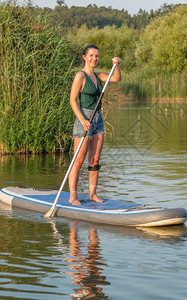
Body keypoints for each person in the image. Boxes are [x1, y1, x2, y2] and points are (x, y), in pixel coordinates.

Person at [68, 45, 121, 205]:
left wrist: (116, 65)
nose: (94, 59)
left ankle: (93, 194)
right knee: (79, 160)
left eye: (97, 56)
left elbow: (116, 78)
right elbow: (72, 100)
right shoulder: (80, 76)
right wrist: (82, 119)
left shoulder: (99, 76)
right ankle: (72, 196)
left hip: (98, 120)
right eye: (91, 55)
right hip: (84, 119)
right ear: (84, 57)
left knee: (95, 160)